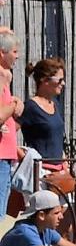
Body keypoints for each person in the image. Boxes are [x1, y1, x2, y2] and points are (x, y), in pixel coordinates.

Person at [17, 57, 66, 175]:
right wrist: (25, 158)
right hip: (40, 173)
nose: (63, 83)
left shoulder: (55, 105)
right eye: (60, 80)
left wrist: (64, 161)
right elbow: (7, 135)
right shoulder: (30, 107)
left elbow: (57, 139)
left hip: (59, 172)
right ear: (45, 80)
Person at [0, 31, 23, 218]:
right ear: (2, 52)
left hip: (6, 157)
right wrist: (14, 104)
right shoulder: (1, 77)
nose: (17, 56)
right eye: (14, 51)